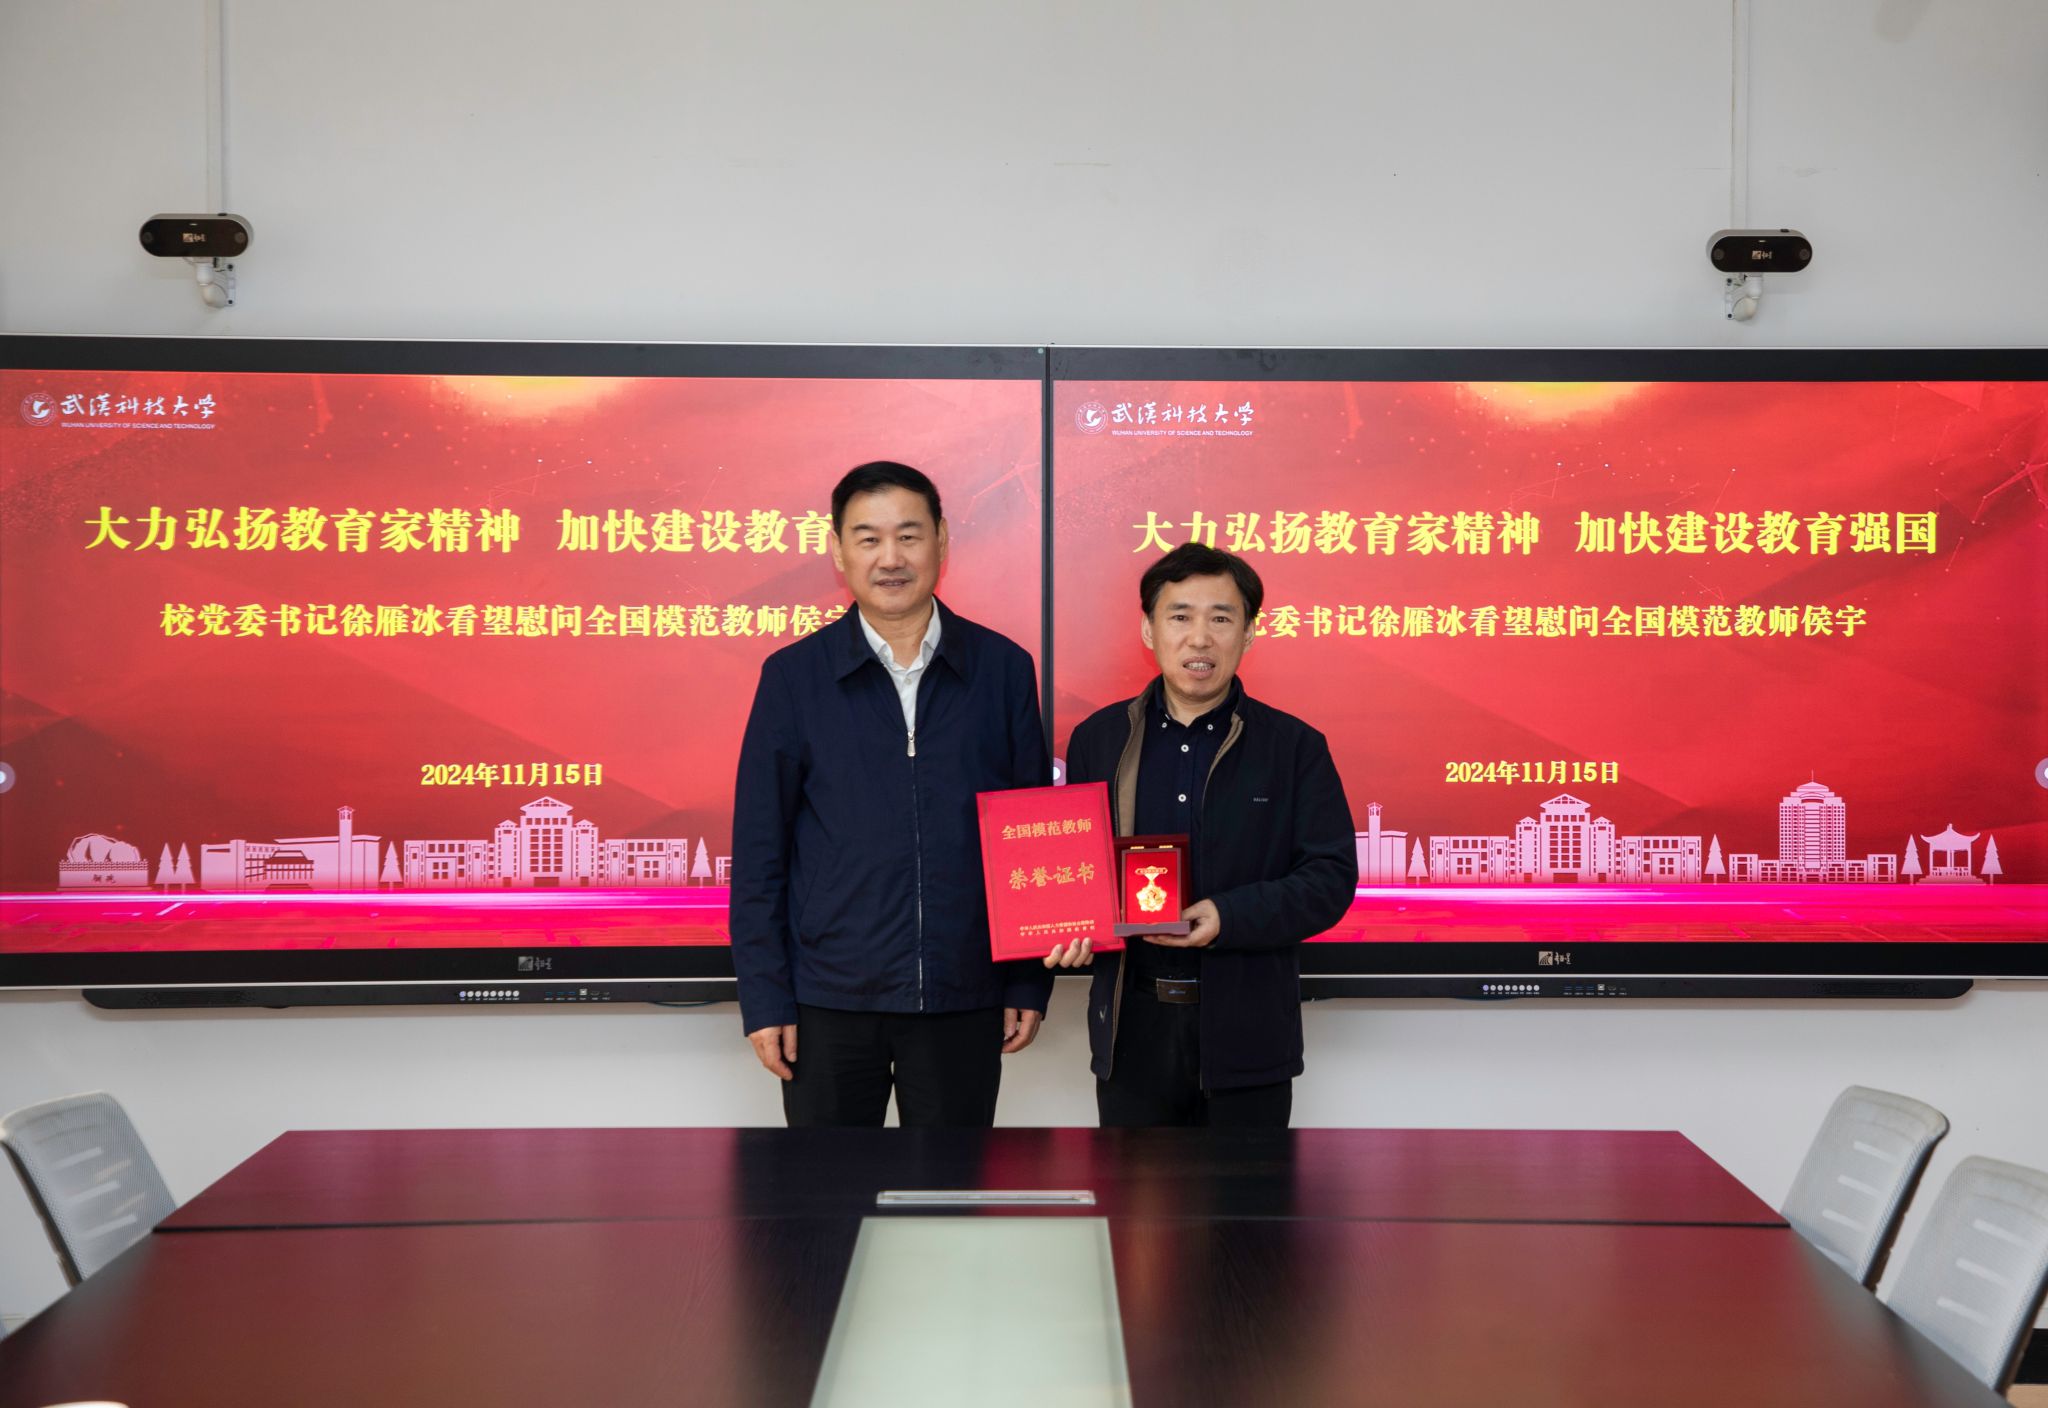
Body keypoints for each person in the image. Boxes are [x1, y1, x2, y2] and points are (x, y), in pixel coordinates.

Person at [732, 460, 1054, 1127]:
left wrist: (1027, 980)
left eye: (909, 536)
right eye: (869, 538)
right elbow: (760, 853)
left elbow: (1032, 839)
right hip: (828, 1000)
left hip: (965, 994)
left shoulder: (1002, 670)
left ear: (941, 540)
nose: (891, 558)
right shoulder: (794, 677)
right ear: (838, 551)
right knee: (828, 1189)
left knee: (954, 1186)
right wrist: (765, 998)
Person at [1046, 542, 1356, 1127]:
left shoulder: (1294, 748)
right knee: (1133, 1189)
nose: (1199, 638)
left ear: (1249, 633)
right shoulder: (1099, 739)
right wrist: (1068, 924)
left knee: (1248, 1190)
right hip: (1132, 1035)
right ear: (1149, 629)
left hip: (1249, 1037)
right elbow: (1071, 868)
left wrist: (1227, 915)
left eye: (1221, 618)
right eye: (1180, 616)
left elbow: (1330, 879)